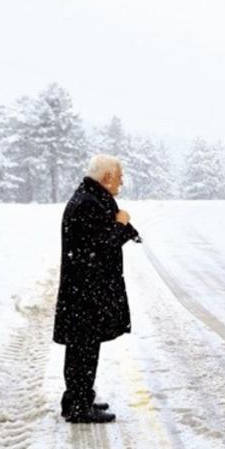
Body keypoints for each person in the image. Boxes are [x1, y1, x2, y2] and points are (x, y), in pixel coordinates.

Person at [52, 155, 139, 423]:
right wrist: (122, 225)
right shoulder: (87, 203)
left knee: (85, 348)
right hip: (84, 292)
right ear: (107, 177)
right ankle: (78, 406)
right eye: (119, 176)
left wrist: (124, 227)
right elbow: (99, 246)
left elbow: (99, 240)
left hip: (86, 291)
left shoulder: (92, 198)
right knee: (83, 349)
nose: (122, 181)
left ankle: (79, 399)